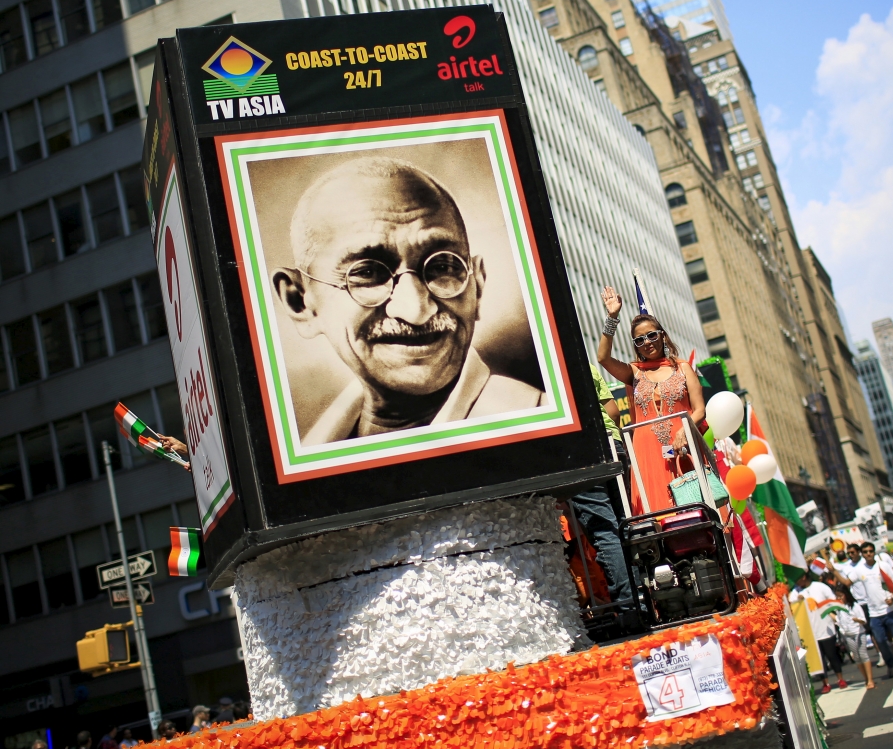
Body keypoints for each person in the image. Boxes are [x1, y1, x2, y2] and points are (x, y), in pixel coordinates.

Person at [271, 157, 544, 445]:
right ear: (299, 302)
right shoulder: (312, 457)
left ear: (476, 284)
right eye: (368, 272)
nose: (416, 309)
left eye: (442, 267)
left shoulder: (540, 425)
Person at [597, 286, 705, 515]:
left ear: (662, 336)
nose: (647, 342)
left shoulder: (683, 368)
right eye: (639, 340)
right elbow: (603, 358)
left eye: (652, 335)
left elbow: (699, 410)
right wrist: (612, 318)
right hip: (646, 452)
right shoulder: (634, 372)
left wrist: (684, 431)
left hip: (681, 448)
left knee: (692, 509)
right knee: (655, 513)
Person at [567, 365, 634, 610]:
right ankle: (645, 600)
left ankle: (629, 608)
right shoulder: (587, 366)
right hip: (613, 445)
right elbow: (613, 411)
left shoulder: (542, 372)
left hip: (581, 449)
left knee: (605, 531)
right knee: (624, 524)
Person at [836, 542, 893, 678]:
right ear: (862, 554)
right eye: (865, 552)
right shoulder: (859, 570)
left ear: (874, 552)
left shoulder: (883, 566)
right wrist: (833, 570)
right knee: (881, 641)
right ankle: (891, 662)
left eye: (870, 551)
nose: (868, 553)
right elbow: (847, 583)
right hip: (874, 613)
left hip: (890, 610)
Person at [794, 574, 847, 692]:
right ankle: (825, 683)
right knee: (819, 659)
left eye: (797, 578)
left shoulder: (820, 586)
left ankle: (840, 679)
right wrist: (798, 600)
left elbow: (832, 599)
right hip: (810, 633)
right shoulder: (795, 592)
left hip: (826, 628)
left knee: (832, 655)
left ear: (803, 577)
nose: (796, 582)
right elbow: (792, 605)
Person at [835, 587, 874, 689]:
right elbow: (839, 621)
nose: (839, 598)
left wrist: (857, 620)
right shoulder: (839, 608)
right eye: (837, 596)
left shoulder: (854, 606)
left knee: (863, 654)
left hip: (858, 633)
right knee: (856, 657)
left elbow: (863, 620)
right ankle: (865, 678)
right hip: (848, 635)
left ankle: (870, 679)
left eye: (841, 595)